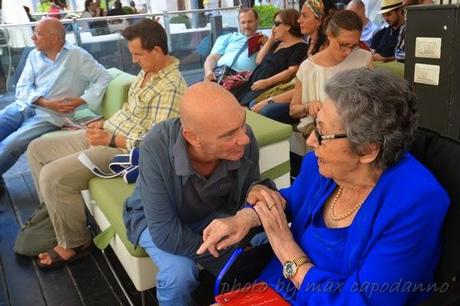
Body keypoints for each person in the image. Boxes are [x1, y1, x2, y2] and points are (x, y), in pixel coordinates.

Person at [201, 68, 450, 305]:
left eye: (321, 132)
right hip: (275, 288)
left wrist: (287, 252)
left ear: (367, 149)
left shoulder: (416, 204)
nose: (310, 141)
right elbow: (293, 199)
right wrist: (246, 218)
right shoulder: (322, 167)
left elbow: (359, 301)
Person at [26, 19, 187, 268]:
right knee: (36, 150)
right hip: (107, 133)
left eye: (137, 55)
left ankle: (75, 242)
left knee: (53, 176)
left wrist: (111, 139)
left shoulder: (171, 88)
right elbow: (129, 110)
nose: (134, 60)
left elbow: (156, 145)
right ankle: (55, 217)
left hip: (120, 151)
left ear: (156, 50)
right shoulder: (148, 72)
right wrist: (104, 122)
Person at [123, 81, 284, 305]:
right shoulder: (156, 146)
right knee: (179, 274)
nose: (244, 138)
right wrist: (232, 261)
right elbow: (165, 233)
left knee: (269, 239)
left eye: (242, 124)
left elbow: (249, 184)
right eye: (229, 135)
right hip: (155, 220)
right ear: (192, 138)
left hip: (211, 213)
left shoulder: (245, 140)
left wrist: (255, 188)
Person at [0, 18, 111, 183]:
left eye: (37, 33)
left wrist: (81, 101)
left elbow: (104, 77)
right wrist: (44, 102)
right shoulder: (33, 55)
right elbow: (22, 87)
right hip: (24, 106)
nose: (33, 38)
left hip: (49, 116)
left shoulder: (77, 56)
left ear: (54, 38)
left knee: (12, 144)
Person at [250, 0, 336, 123]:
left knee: (266, 110)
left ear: (319, 21)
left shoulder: (323, 48)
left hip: (313, 102)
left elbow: (306, 88)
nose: (299, 20)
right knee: (255, 102)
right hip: (298, 96)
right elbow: (259, 61)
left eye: (304, 16)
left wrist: (270, 99)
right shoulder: (311, 42)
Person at [290, 10, 372, 136]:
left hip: (358, 130)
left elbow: (374, 98)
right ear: (330, 35)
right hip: (324, 134)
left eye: (354, 46)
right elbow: (293, 110)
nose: (348, 52)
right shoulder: (308, 68)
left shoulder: (363, 58)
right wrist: (307, 107)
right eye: (343, 45)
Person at [232, 9, 308, 107]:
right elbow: (259, 60)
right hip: (254, 83)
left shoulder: (300, 46)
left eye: (276, 24)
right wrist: (271, 39)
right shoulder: (278, 43)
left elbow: (292, 71)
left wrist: (267, 82)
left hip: (269, 87)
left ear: (288, 26)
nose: (273, 28)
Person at [204, 8, 261, 82]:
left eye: (250, 22)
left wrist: (266, 43)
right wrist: (208, 71)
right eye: (243, 22)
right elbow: (213, 57)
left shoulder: (263, 41)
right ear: (239, 24)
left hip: (241, 80)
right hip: (219, 74)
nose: (246, 26)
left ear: (257, 22)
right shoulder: (227, 38)